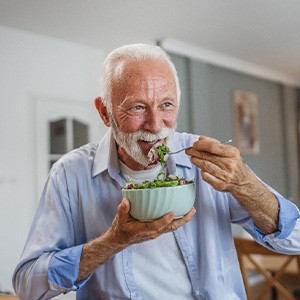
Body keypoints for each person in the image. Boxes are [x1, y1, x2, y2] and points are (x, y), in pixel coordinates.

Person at [13, 44, 300, 300]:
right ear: (105, 112)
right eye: (137, 107)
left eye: (166, 105)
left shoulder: (206, 159)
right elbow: (27, 286)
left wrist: (246, 184)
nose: (155, 124)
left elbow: (295, 239)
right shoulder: (70, 174)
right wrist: (113, 242)